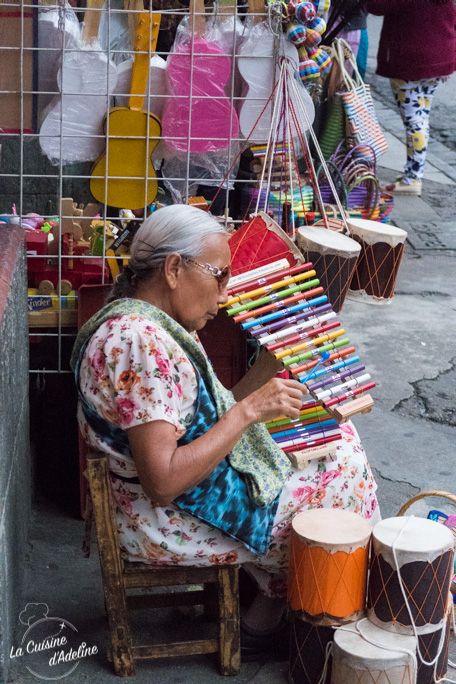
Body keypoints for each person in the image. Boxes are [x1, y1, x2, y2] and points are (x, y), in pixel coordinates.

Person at [71, 204, 380, 660]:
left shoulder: (150, 323)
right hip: (165, 521)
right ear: (174, 268)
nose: (225, 291)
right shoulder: (141, 343)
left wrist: (277, 363)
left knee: (340, 442)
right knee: (342, 482)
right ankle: (294, 613)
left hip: (174, 501)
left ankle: (273, 601)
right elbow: (163, 482)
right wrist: (250, 412)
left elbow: (214, 410)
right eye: (218, 275)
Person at [367, 0, 456, 196]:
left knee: (415, 121)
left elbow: (376, 6)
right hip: (439, 57)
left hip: (408, 60)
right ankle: (414, 173)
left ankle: (412, 179)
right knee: (421, 117)